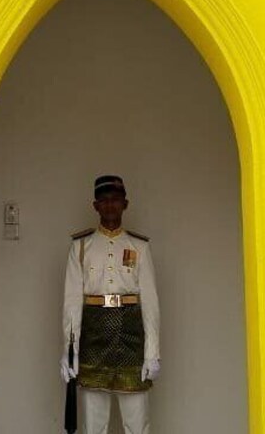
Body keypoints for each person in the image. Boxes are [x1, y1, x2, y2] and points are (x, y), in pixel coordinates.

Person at [61, 175, 161, 434]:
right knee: (93, 425)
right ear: (95, 206)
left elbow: (150, 302)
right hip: (93, 338)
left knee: (137, 424)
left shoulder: (139, 246)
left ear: (125, 204)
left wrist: (152, 352)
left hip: (131, 337)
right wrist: (70, 350)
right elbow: (72, 302)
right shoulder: (81, 246)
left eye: (115, 200)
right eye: (104, 200)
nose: (110, 205)